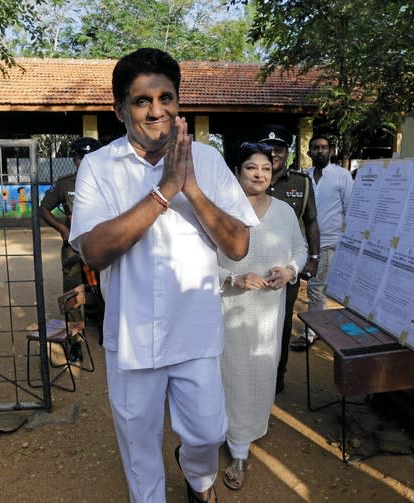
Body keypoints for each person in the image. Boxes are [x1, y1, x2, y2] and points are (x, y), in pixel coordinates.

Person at [69, 48, 258, 503]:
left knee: (207, 433)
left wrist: (190, 185)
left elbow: (237, 247)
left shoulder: (208, 161)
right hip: (132, 338)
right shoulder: (98, 167)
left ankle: (197, 479)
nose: (157, 110)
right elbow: (94, 251)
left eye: (166, 97)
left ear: (178, 102)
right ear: (120, 110)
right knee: (138, 447)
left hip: (194, 332)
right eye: (141, 101)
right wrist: (164, 190)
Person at [218, 142, 306, 490]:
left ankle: (246, 436)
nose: (259, 174)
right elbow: (200, 260)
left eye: (266, 169)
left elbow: (299, 247)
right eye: (251, 167)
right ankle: (231, 442)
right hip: (230, 310)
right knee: (233, 374)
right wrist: (234, 278)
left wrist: (289, 271)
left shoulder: (284, 212)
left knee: (261, 372)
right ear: (237, 171)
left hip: (270, 313)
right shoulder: (221, 210)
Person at [259, 125, 320, 392]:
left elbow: (312, 222)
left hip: (286, 269)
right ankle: (254, 374)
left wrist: (314, 258)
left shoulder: (301, 183)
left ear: (288, 152)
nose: (273, 154)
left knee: (282, 323)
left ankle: (277, 375)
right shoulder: (251, 177)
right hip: (253, 265)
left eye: (280, 149)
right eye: (268, 148)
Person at [39, 137, 102, 361]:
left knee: (105, 289)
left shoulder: (109, 182)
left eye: (90, 156)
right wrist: (61, 229)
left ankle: (106, 331)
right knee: (73, 295)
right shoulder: (65, 184)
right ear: (75, 160)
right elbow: (43, 209)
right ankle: (75, 342)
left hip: (103, 246)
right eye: (80, 157)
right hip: (73, 248)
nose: (85, 161)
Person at [291, 134, 353, 350]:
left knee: (315, 289)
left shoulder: (342, 176)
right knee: (305, 286)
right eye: (315, 148)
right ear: (309, 152)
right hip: (303, 244)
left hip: (328, 242)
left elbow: (350, 209)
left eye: (324, 147)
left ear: (331, 151)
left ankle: (312, 332)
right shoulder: (304, 177)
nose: (320, 151)